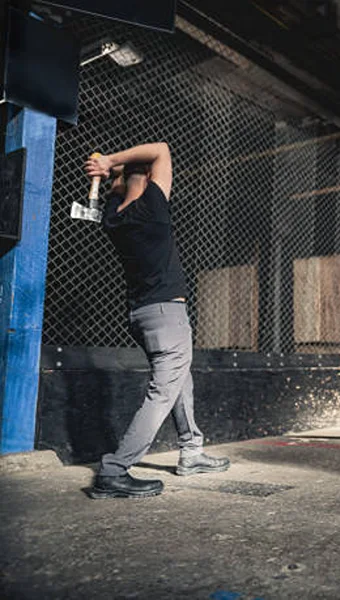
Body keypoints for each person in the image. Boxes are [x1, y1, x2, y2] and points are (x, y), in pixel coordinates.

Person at [84, 143, 229, 499]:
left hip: (141, 315)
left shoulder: (115, 217)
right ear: (148, 178)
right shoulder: (153, 206)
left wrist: (103, 175)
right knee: (163, 391)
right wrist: (111, 162)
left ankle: (191, 450)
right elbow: (161, 149)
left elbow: (122, 184)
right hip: (167, 314)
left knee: (180, 380)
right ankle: (115, 470)